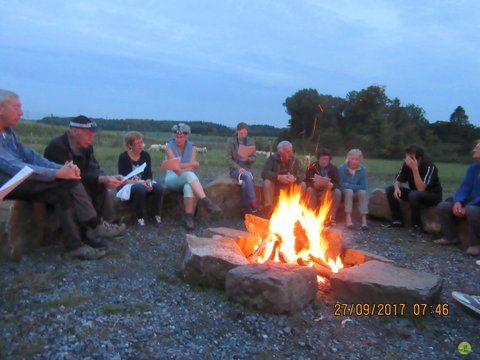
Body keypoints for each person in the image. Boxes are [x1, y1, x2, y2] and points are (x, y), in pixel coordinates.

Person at [0, 89, 118, 260]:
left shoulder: (9, 133)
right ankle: (94, 225)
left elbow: (32, 156)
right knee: (68, 183)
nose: (21, 112)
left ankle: (77, 243)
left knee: (63, 193)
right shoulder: (58, 145)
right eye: (16, 107)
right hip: (7, 184)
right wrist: (58, 172)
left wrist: (63, 170)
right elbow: (14, 167)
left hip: (19, 180)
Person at [44, 115, 126, 236]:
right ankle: (93, 227)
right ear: (74, 131)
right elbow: (69, 176)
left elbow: (94, 168)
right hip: (61, 186)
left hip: (78, 181)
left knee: (101, 186)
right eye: (88, 134)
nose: (91, 138)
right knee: (82, 189)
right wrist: (99, 178)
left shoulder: (86, 147)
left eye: (92, 134)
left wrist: (107, 177)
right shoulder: (58, 147)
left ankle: (109, 221)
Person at [164, 123, 221, 230]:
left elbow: (190, 168)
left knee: (188, 186)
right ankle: (206, 202)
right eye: (176, 137)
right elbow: (176, 167)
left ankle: (189, 218)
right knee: (189, 175)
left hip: (185, 176)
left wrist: (184, 168)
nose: (178, 139)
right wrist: (189, 165)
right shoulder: (169, 146)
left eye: (181, 137)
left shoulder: (192, 147)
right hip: (171, 178)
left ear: (186, 136)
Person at [385, 145, 442, 236]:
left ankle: (417, 226)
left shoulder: (429, 167)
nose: (407, 160)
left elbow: (421, 188)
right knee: (390, 189)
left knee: (414, 194)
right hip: (415, 194)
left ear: (419, 159)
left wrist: (415, 169)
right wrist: (396, 188)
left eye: (410, 158)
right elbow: (398, 180)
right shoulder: (406, 164)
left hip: (432, 195)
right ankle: (397, 220)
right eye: (406, 157)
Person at [434, 141, 480, 255]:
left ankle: (475, 244)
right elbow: (465, 187)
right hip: (469, 202)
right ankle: (450, 237)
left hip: (476, 205)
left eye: (477, 147)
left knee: (472, 211)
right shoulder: (473, 168)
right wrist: (458, 202)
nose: (473, 150)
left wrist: (468, 206)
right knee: (443, 206)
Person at [117, 131, 163, 226]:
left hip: (142, 181)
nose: (141, 145)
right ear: (130, 145)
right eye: (137, 143)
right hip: (127, 183)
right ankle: (140, 217)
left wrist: (148, 182)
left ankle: (155, 215)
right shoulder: (123, 157)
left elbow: (149, 174)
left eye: (141, 142)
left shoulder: (145, 155)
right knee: (140, 189)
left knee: (159, 188)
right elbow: (122, 178)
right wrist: (139, 183)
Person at [261, 140, 303, 217]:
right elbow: (264, 173)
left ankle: (298, 211)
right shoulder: (272, 159)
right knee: (267, 182)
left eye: (291, 151)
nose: (291, 153)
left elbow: (303, 175)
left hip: (290, 185)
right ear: (281, 152)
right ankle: (268, 209)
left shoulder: (295, 161)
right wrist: (278, 177)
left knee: (302, 184)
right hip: (276, 185)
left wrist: (294, 178)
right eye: (288, 152)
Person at [226, 122, 258, 215]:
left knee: (244, 184)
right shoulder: (230, 141)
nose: (243, 135)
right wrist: (238, 168)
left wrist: (247, 159)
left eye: (245, 133)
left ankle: (245, 210)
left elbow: (254, 158)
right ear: (237, 131)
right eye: (241, 133)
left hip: (247, 167)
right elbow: (228, 159)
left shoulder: (250, 141)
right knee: (248, 176)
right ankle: (253, 202)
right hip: (236, 169)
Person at [304, 148, 341, 225]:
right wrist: (313, 185)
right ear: (318, 159)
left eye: (327, 159)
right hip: (315, 190)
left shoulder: (333, 169)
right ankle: (312, 216)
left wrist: (332, 185)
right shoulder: (312, 167)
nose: (324, 161)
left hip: (327, 191)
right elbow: (306, 181)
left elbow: (338, 184)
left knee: (337, 192)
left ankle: (331, 217)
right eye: (322, 159)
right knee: (310, 190)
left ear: (329, 159)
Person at [338, 149, 368, 230]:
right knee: (349, 191)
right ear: (348, 158)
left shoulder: (362, 170)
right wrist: (353, 186)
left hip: (357, 193)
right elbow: (341, 185)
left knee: (362, 192)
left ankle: (364, 220)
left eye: (357, 159)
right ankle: (348, 218)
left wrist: (349, 185)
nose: (354, 161)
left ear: (360, 160)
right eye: (352, 159)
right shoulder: (342, 168)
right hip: (345, 193)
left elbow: (363, 186)